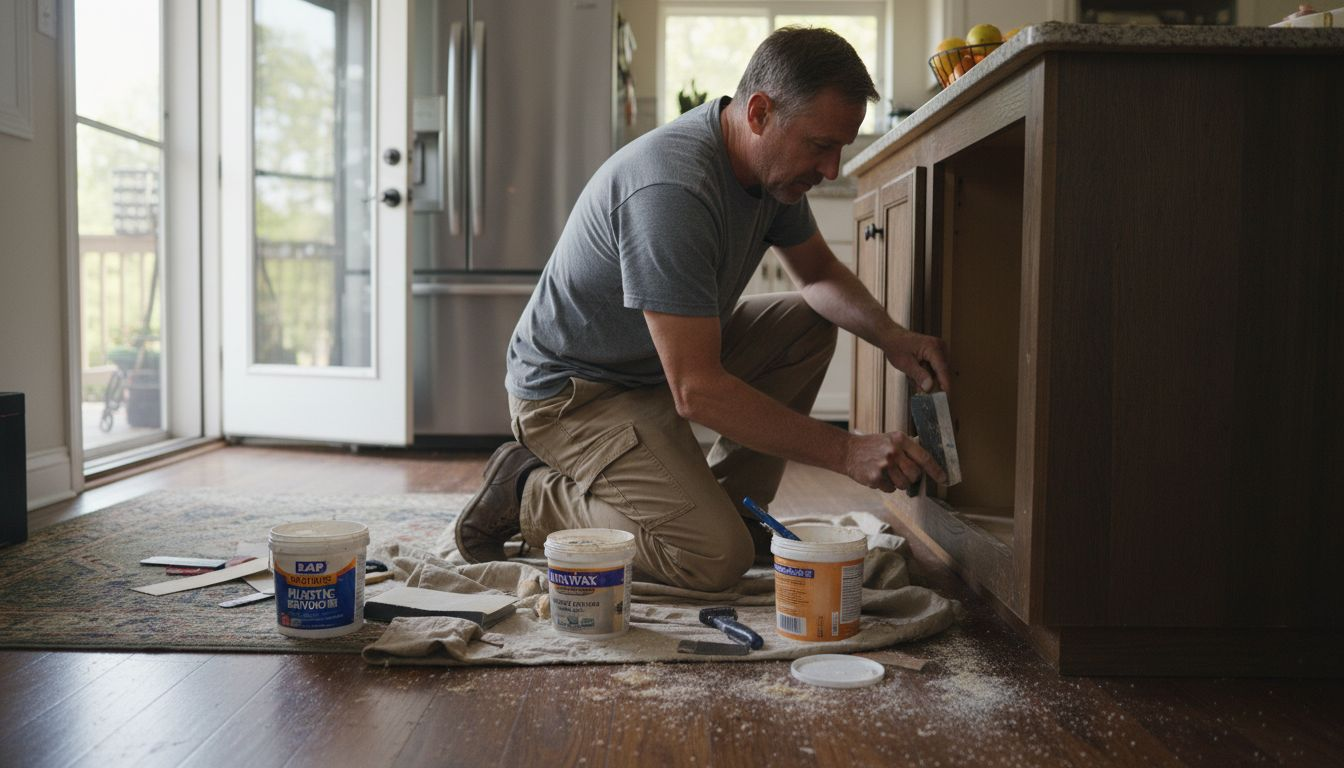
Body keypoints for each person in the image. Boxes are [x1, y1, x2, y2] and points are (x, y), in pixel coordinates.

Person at [454, 27, 950, 592]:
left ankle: (732, 509)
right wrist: (844, 450)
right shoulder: (675, 190)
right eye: (821, 146)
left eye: (841, 147)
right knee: (712, 559)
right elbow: (696, 389)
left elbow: (817, 275)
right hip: (573, 395)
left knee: (808, 324)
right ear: (759, 112)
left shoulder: (768, 173)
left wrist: (892, 337)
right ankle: (528, 493)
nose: (832, 169)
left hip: (652, 369)